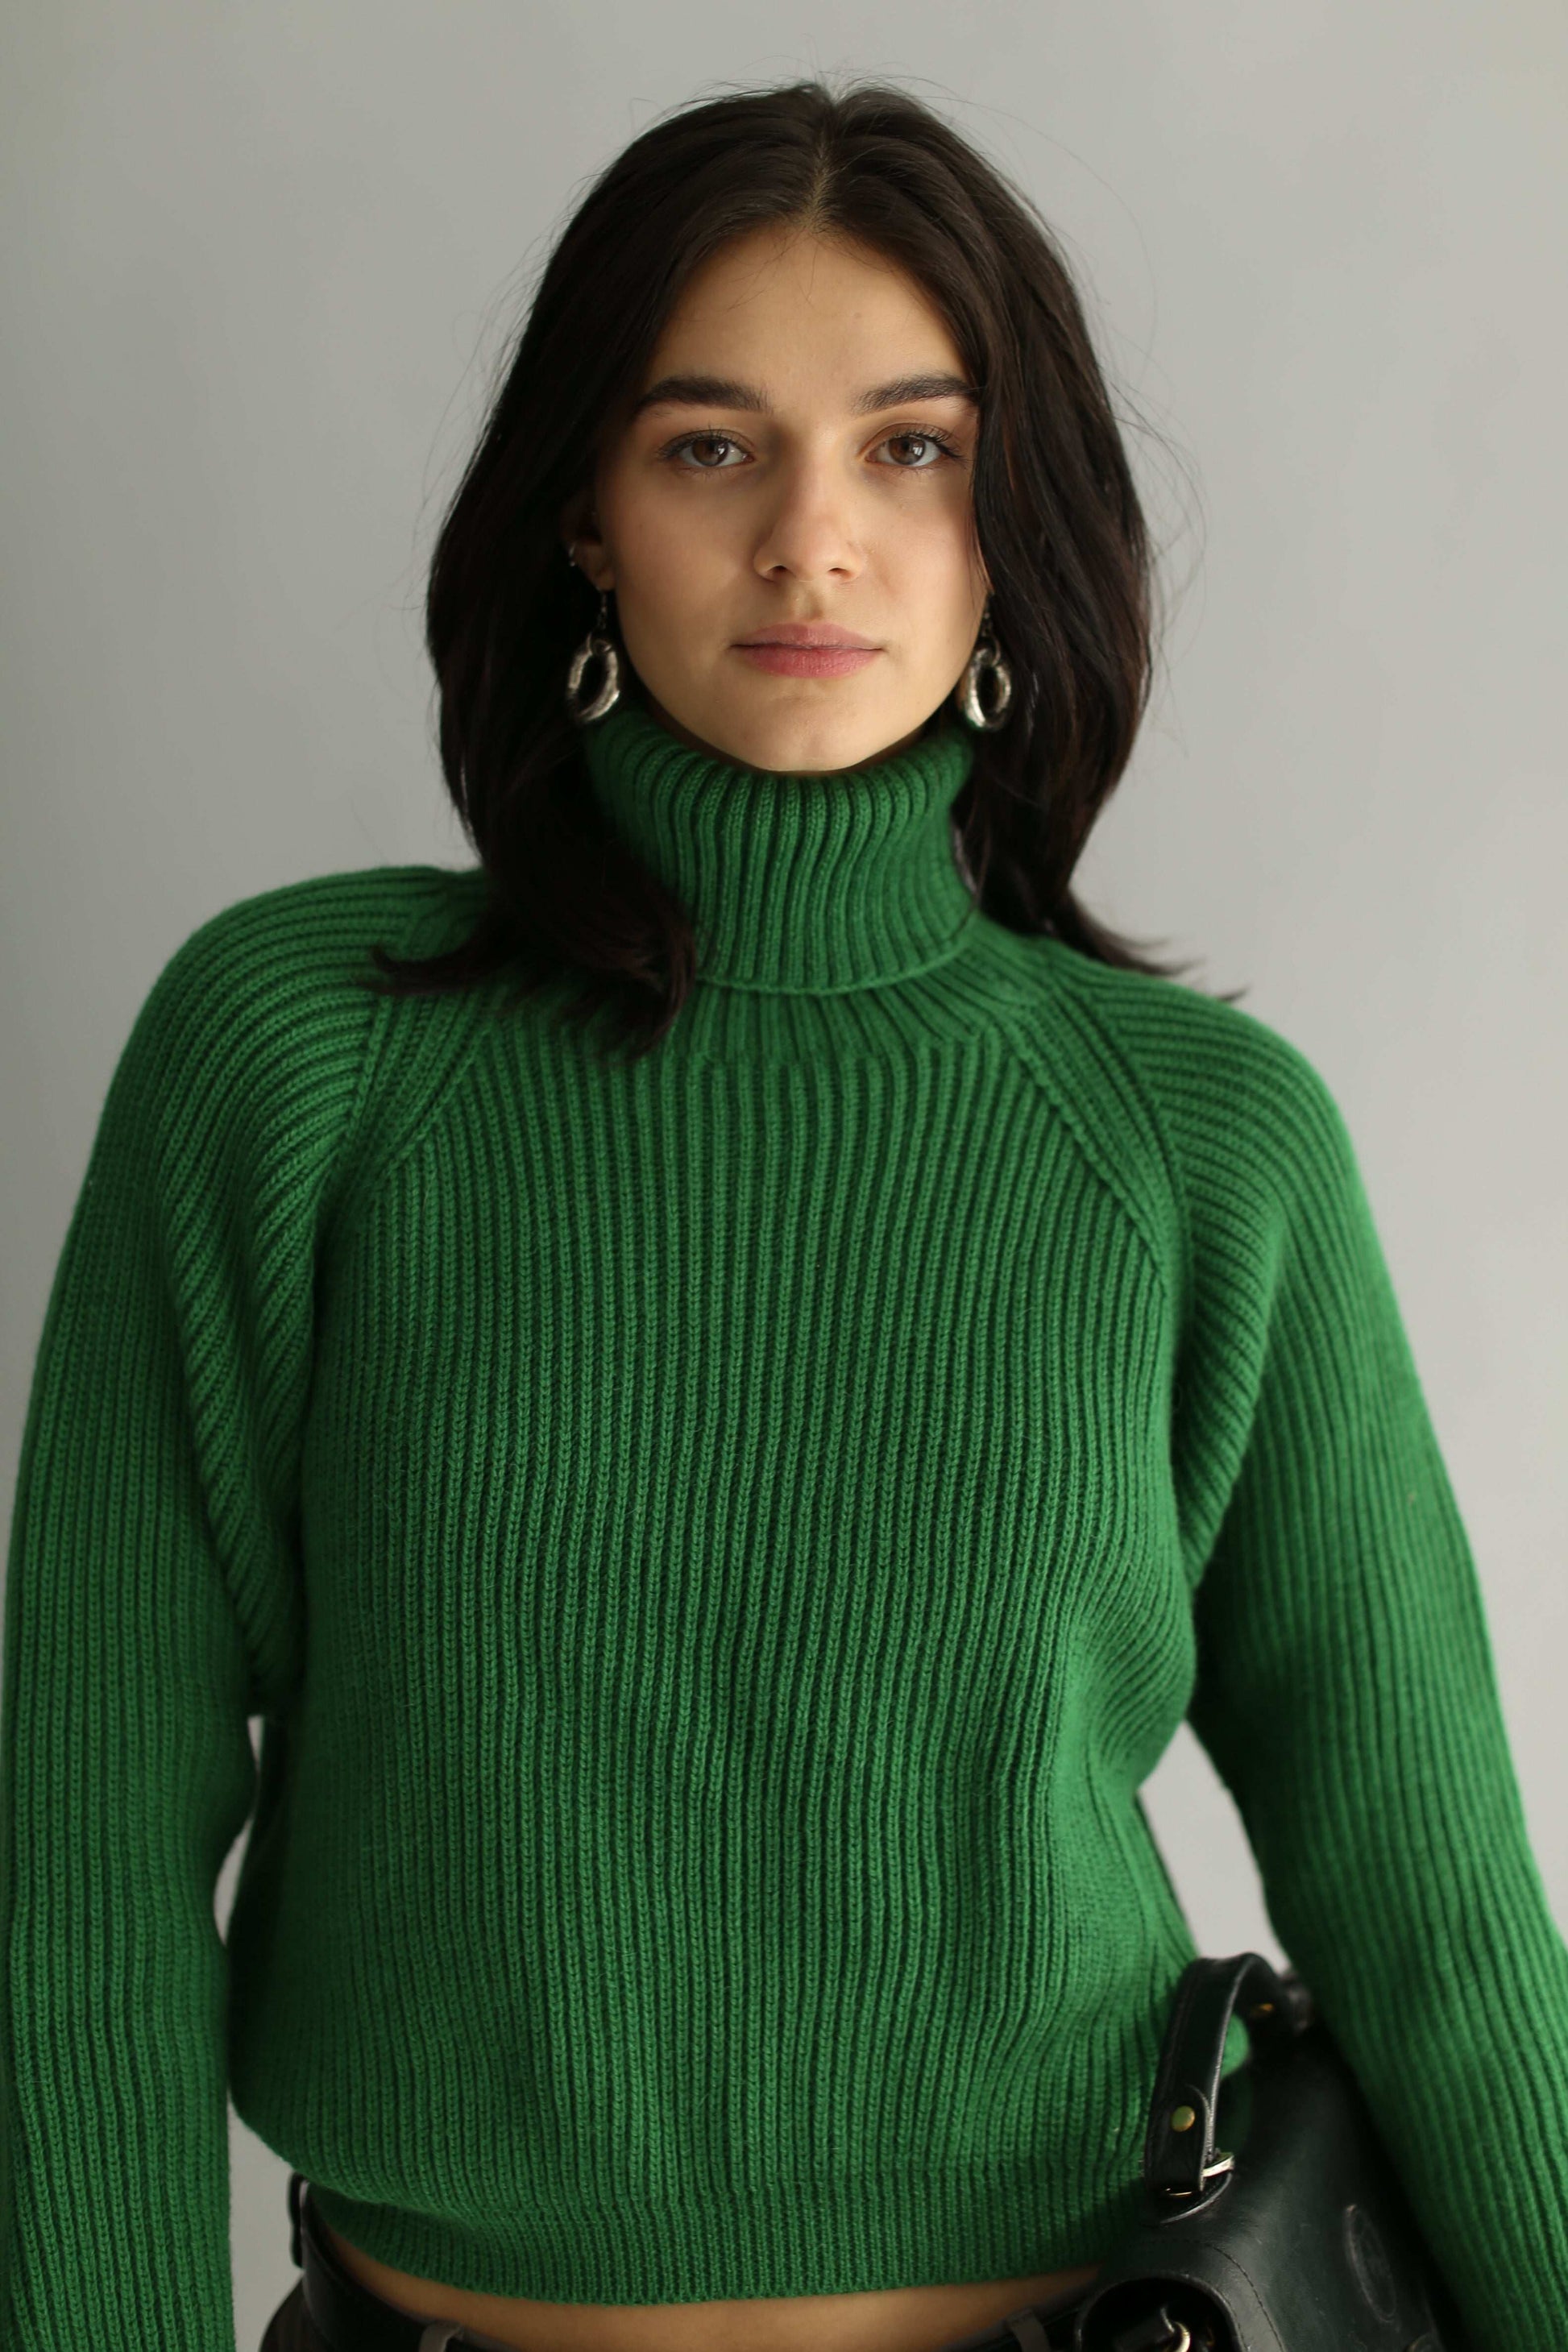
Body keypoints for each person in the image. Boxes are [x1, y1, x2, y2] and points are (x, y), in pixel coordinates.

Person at [2, 73, 1564, 2352]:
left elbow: (1431, 1915)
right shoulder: (297, 1061)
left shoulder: (1196, 1143)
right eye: (709, 444)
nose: (810, 541)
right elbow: (82, 1866)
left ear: (1008, 521)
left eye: (910, 449)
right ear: (583, 518)